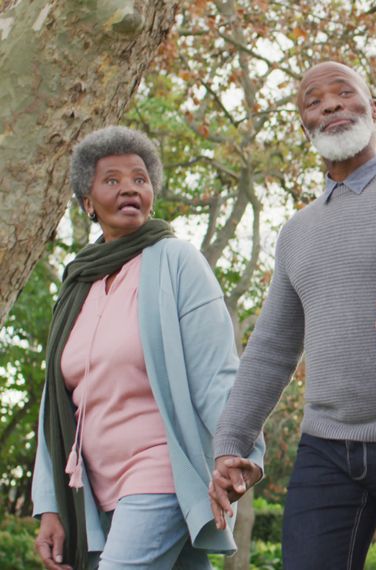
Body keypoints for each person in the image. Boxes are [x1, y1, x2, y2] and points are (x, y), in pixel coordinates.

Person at [209, 61, 376, 569]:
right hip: (328, 448)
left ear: (373, 110)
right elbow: (270, 350)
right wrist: (231, 443)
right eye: (314, 100)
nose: (330, 104)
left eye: (344, 93)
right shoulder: (297, 233)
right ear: (305, 125)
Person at [30, 126, 264, 570]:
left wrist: (237, 449)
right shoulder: (78, 281)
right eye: (112, 180)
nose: (129, 189)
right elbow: (54, 404)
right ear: (87, 201)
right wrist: (50, 507)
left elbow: (217, 372)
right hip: (93, 483)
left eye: (139, 178)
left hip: (161, 469)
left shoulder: (177, 262)